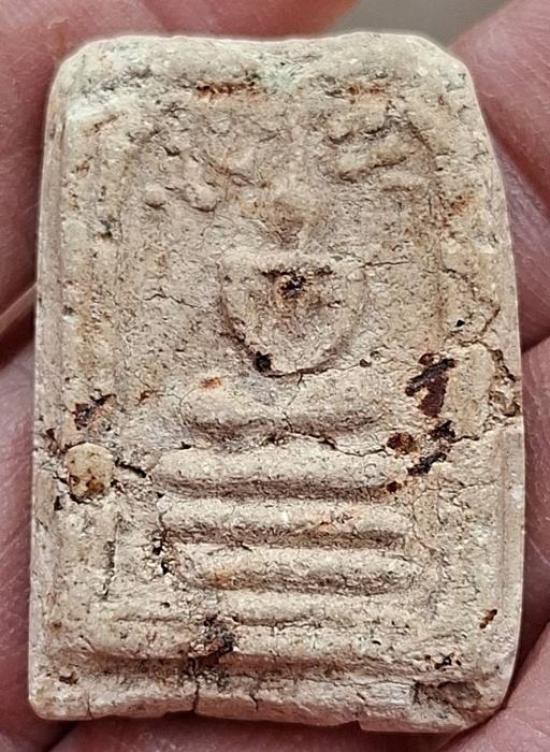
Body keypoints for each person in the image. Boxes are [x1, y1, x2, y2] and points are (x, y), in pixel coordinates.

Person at [0, 1, 548, 750]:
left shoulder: (394, 156)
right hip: (212, 456)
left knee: (358, 411)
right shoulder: (134, 145)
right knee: (199, 415)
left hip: (344, 447)